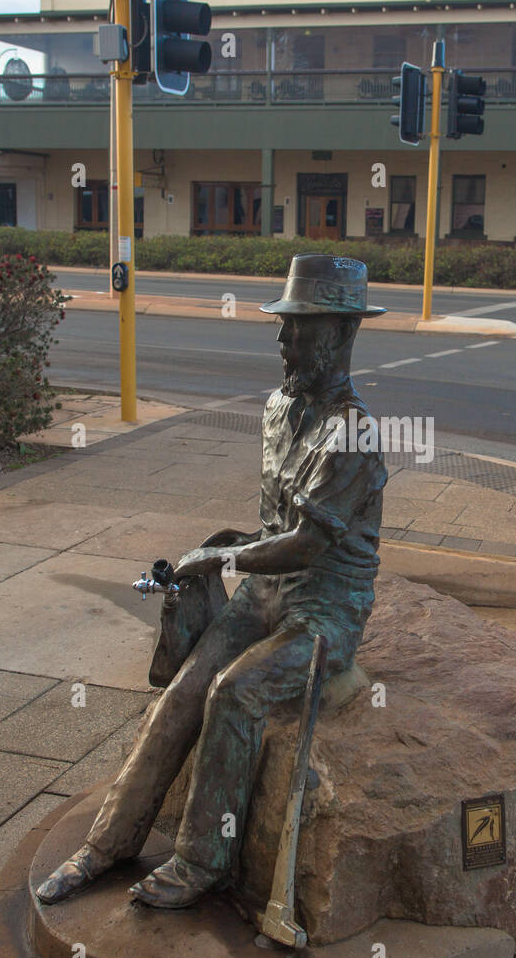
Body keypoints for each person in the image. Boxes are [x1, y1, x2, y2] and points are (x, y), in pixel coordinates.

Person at [36, 255, 387, 909]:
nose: (281, 341)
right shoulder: (280, 410)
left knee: (234, 694)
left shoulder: (356, 435)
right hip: (266, 592)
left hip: (326, 609)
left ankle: (202, 861)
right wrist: (225, 553)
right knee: (180, 696)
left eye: (297, 328)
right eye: (282, 326)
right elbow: (271, 527)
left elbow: (309, 543)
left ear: (338, 333)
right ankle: (107, 844)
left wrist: (216, 561)